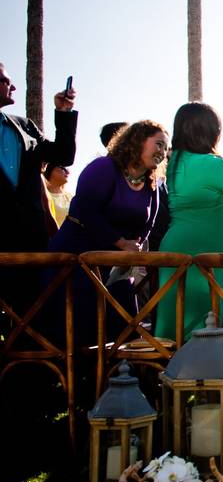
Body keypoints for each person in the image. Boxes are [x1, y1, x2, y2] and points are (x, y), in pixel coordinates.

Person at [48, 120, 168, 345]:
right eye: (159, 145)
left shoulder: (151, 183)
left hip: (116, 267)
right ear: (138, 141)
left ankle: (118, 375)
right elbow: (86, 209)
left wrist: (136, 244)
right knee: (78, 328)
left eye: (165, 148)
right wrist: (121, 242)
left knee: (123, 325)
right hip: (78, 257)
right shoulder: (103, 167)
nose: (162, 152)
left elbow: (147, 223)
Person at [155, 103, 223, 340]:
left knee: (176, 317)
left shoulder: (176, 162)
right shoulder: (211, 165)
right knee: (203, 318)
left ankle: (169, 369)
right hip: (205, 252)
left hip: (180, 244)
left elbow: (212, 183)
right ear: (211, 131)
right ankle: (200, 371)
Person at [0, 63, 77, 320]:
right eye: (5, 80)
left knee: (32, 314)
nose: (12, 86)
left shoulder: (25, 126)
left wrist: (64, 113)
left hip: (29, 239)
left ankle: (33, 361)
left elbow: (63, 155)